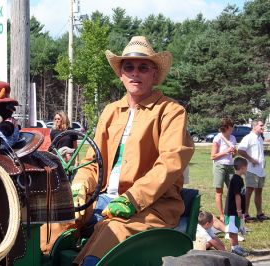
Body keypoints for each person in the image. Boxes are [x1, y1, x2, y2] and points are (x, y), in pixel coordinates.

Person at [69, 36, 194, 265]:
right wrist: (79, 186)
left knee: (113, 229)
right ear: (121, 74)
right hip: (102, 199)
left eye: (143, 68)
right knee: (53, 221)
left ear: (154, 75)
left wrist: (132, 199)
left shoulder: (171, 111)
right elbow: (93, 162)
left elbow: (170, 162)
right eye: (129, 67)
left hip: (152, 205)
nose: (135, 73)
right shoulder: (111, 111)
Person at [238, 119, 269, 222]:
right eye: (261, 125)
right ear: (254, 126)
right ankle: (245, 214)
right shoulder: (248, 137)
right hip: (251, 170)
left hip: (260, 170)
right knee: (249, 192)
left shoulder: (260, 138)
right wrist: (251, 160)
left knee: (259, 192)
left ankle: (259, 213)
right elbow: (240, 150)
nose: (262, 127)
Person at [211, 118, 237, 222]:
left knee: (233, 191)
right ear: (226, 127)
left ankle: (231, 213)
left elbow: (234, 155)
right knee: (219, 192)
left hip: (230, 166)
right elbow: (213, 156)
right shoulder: (217, 138)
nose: (232, 128)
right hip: (219, 166)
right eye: (231, 126)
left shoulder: (233, 138)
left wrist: (234, 152)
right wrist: (226, 151)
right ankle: (221, 215)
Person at [224, 157, 249, 256]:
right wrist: (239, 210)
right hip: (232, 210)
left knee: (235, 229)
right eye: (247, 167)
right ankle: (234, 249)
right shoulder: (236, 179)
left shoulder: (238, 178)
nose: (247, 169)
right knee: (233, 230)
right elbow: (237, 195)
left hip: (236, 211)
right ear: (242, 167)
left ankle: (237, 247)